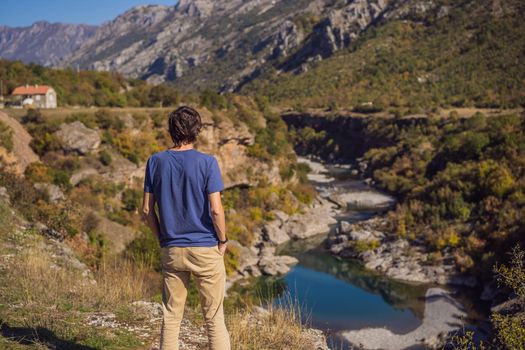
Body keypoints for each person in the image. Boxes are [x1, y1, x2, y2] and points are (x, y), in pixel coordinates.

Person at [142, 106, 231, 350]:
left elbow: (147, 211)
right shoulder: (207, 163)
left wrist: (162, 238)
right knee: (213, 318)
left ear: (171, 130)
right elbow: (216, 210)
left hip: (172, 248)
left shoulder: (155, 162)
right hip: (205, 249)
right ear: (197, 131)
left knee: (171, 318)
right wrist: (222, 240)